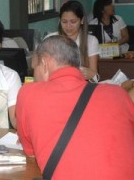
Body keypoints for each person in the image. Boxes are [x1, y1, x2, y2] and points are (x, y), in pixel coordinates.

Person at [16, 35, 134, 179]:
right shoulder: (118, 94)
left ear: (44, 63)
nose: (34, 77)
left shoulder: (28, 93)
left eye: (35, 69)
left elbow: (31, 154)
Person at [46, 0, 100, 82]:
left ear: (81, 20)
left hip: (80, 87)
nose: (68, 26)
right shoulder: (51, 39)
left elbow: (95, 75)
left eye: (73, 22)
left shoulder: (91, 41)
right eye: (64, 21)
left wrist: (92, 75)